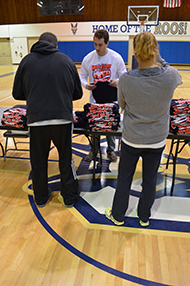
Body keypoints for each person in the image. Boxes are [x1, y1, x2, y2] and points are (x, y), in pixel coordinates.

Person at [105, 31, 182, 227]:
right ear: (156, 51)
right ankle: (144, 216)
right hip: (156, 140)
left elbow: (122, 104)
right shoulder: (171, 76)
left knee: (124, 178)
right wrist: (158, 57)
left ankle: (118, 216)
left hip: (132, 138)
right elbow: (168, 69)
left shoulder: (126, 79)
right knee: (149, 179)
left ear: (135, 54)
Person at [12, 32, 83, 208]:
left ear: (38, 43)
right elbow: (78, 93)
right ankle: (69, 197)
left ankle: (41, 197)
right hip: (63, 121)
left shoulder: (26, 61)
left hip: (37, 121)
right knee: (66, 160)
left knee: (38, 160)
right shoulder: (67, 61)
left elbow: (16, 93)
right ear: (55, 45)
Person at [79, 29, 126, 162]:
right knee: (94, 126)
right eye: (95, 44)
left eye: (100, 44)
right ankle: (93, 151)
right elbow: (82, 76)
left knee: (110, 126)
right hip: (95, 99)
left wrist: (118, 81)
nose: (97, 48)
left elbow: (124, 73)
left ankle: (111, 151)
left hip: (111, 98)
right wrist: (86, 85)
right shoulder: (88, 58)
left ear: (107, 43)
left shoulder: (116, 57)